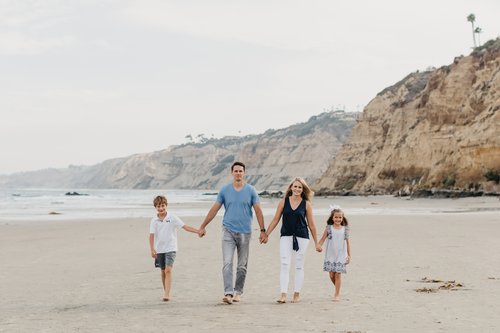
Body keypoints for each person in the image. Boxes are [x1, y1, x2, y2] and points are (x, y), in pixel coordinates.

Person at [198, 161, 266, 304]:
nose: (238, 173)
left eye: (241, 171)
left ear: (244, 173)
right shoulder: (224, 190)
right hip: (228, 230)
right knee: (227, 262)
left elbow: (258, 211)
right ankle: (228, 293)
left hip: (245, 232)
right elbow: (214, 209)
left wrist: (262, 230)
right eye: (236, 171)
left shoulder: (251, 190)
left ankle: (238, 292)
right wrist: (203, 226)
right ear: (232, 173)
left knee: (242, 265)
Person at [263, 177, 320, 304]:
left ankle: (296, 294)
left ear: (303, 189)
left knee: (299, 265)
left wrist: (317, 242)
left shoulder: (306, 204)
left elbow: (311, 225)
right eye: (295, 186)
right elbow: (276, 219)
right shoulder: (284, 202)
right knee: (284, 264)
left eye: (300, 187)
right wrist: (266, 234)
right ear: (291, 188)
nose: (297, 189)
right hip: (286, 236)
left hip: (302, 237)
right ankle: (283, 294)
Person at [149, 195, 199, 302]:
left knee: (168, 270)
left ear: (166, 205)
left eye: (163, 205)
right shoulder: (154, 220)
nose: (161, 208)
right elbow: (151, 235)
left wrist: (198, 231)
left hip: (171, 248)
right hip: (159, 249)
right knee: (162, 271)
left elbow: (185, 227)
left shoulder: (172, 217)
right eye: (158, 206)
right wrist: (152, 249)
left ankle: (167, 294)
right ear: (155, 207)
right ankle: (166, 291)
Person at [317, 205, 351, 301]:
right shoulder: (329, 228)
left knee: (338, 274)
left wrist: (349, 255)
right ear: (332, 218)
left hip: (341, 254)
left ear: (342, 218)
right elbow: (322, 239)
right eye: (336, 217)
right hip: (330, 254)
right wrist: (319, 245)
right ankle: (337, 288)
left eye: (340, 217)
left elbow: (347, 243)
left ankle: (337, 294)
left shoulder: (345, 229)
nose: (338, 219)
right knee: (332, 275)